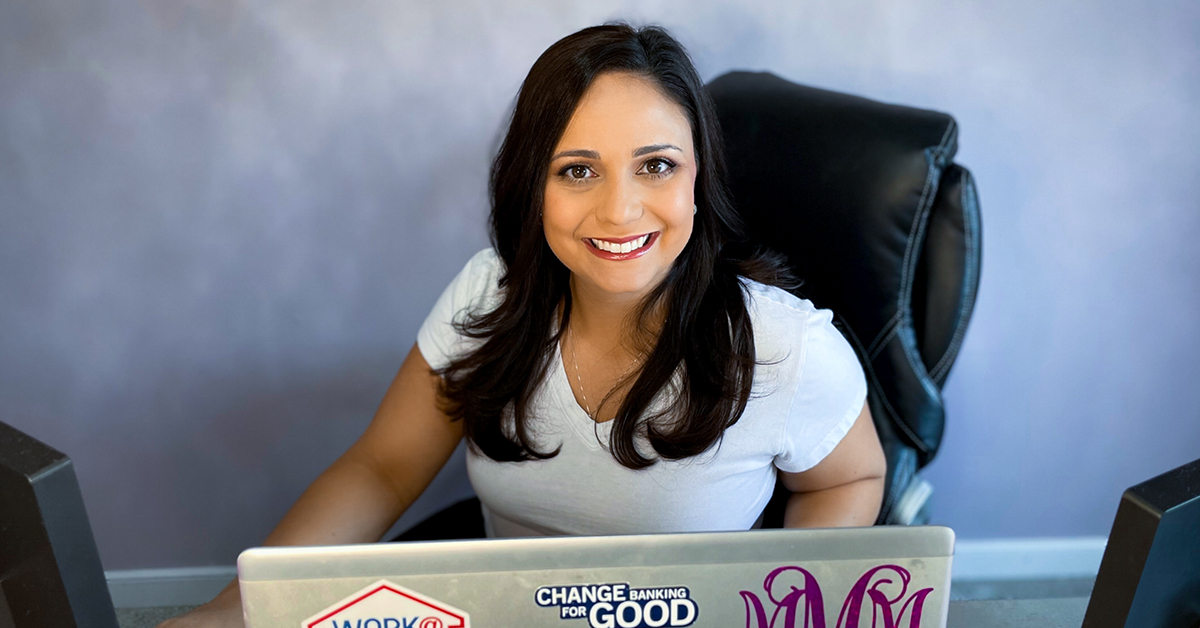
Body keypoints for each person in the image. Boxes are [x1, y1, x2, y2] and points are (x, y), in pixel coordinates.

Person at [159, 22, 885, 627]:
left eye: (657, 165)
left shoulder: (783, 346)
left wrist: (789, 605)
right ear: (533, 186)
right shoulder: (489, 295)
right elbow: (382, 468)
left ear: (699, 178)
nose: (620, 210)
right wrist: (236, 609)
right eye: (578, 170)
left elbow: (851, 478)